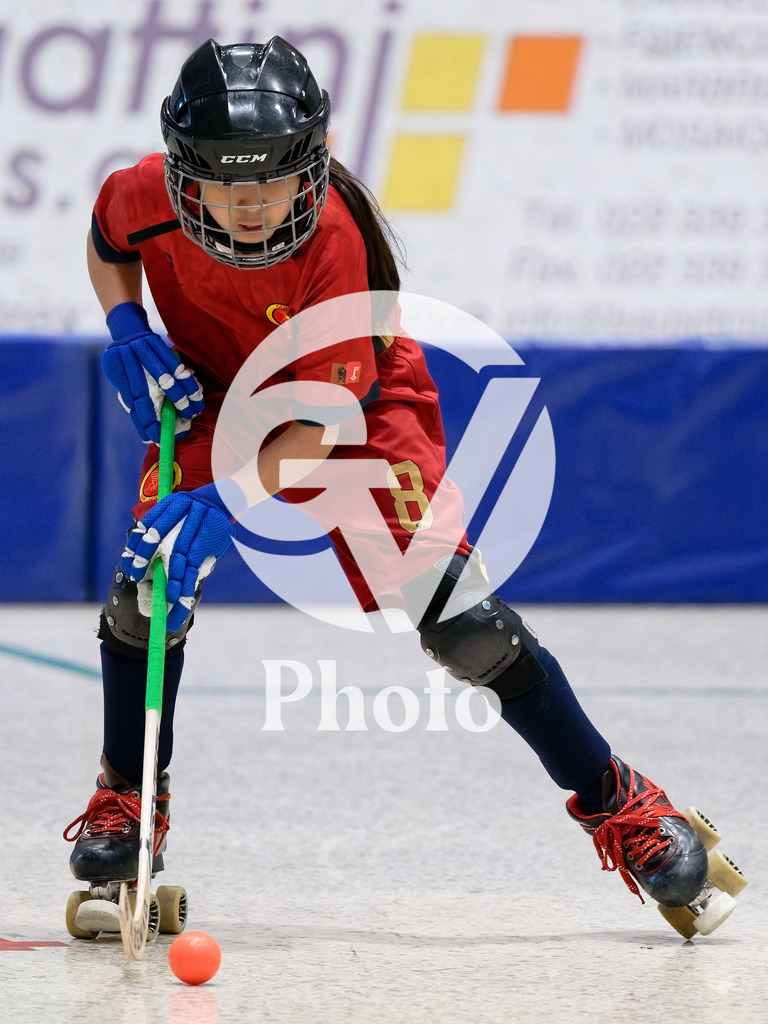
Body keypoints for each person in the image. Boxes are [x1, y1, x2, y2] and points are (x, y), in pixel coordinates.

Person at [64, 37, 719, 929]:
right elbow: (108, 243)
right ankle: (128, 798)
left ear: (314, 165)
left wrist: (225, 498)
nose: (249, 204)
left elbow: (320, 425)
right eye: (221, 181)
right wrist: (126, 323)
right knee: (150, 585)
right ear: (183, 172)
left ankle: (622, 802)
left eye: (272, 181)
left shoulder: (339, 240)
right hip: (217, 394)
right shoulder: (141, 192)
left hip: (354, 409)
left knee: (464, 622)